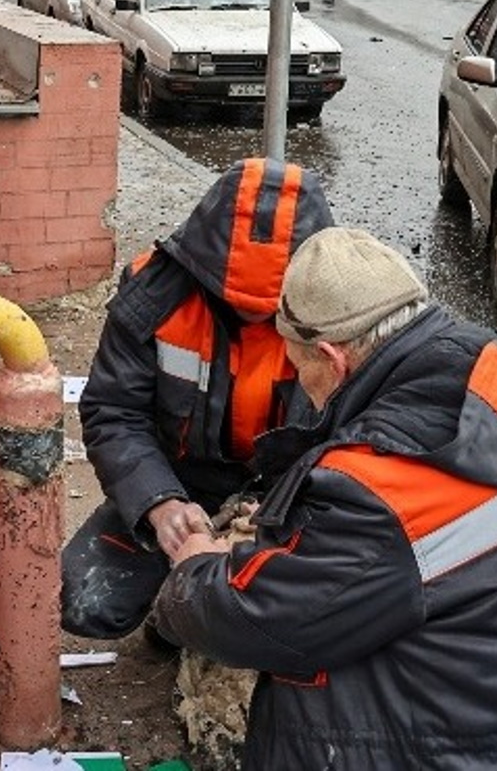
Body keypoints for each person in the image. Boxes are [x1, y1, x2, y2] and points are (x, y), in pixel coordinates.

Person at [152, 227, 497, 769]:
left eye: (299, 368)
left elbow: (261, 617)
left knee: (311, 686)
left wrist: (195, 568)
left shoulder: (382, 490)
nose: (302, 387)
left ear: (332, 359)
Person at [60, 157, 335, 640]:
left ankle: (191, 620)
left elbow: (371, 433)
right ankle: (178, 614)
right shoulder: (154, 295)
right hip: (182, 480)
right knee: (83, 602)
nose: (253, 321)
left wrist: (272, 522)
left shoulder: (346, 311)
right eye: (236, 303)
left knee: (313, 618)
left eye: (269, 311)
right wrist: (160, 505)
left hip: (294, 492)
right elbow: (113, 412)